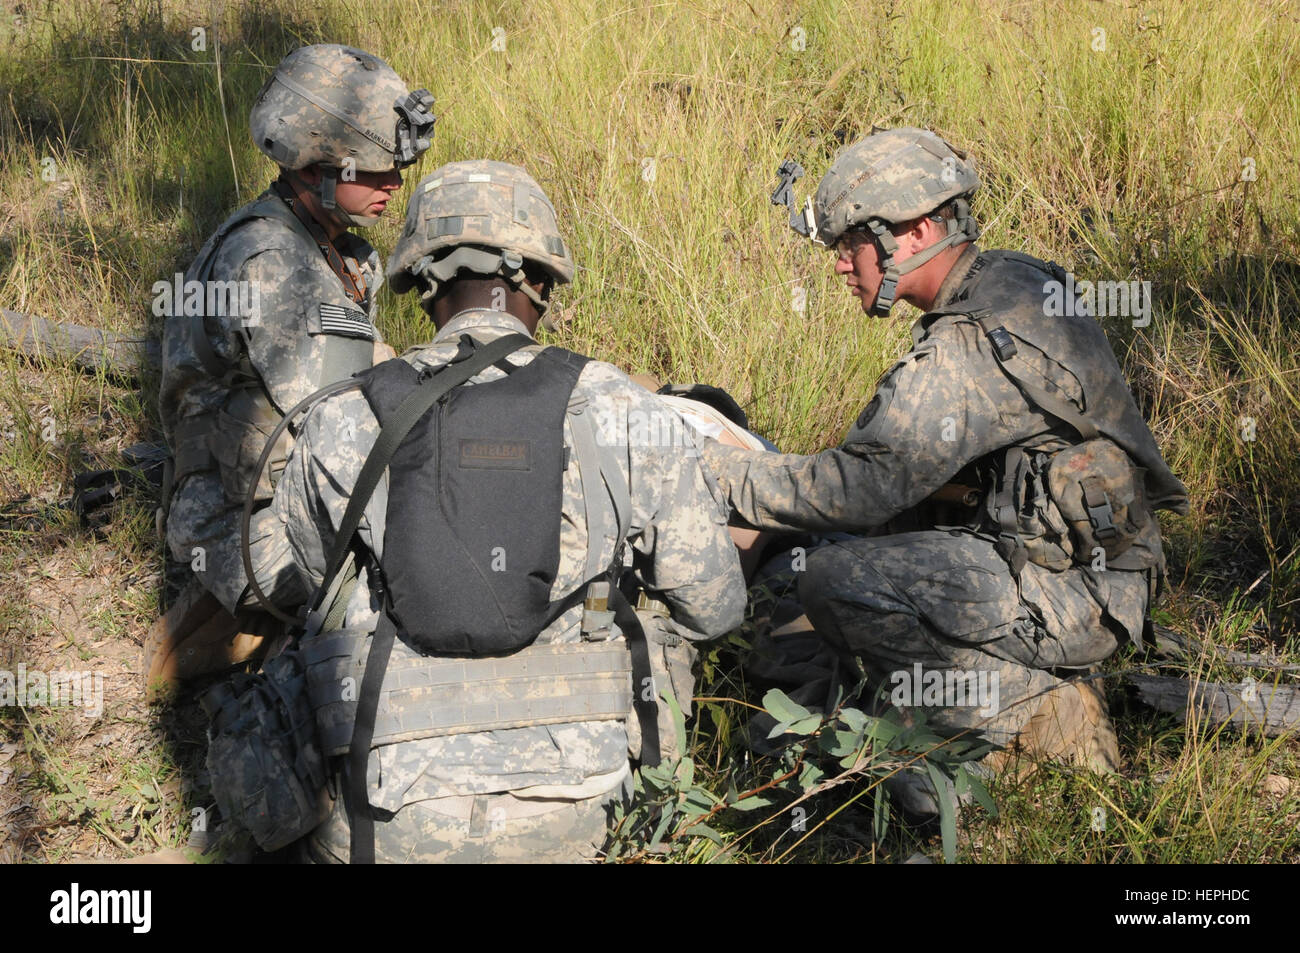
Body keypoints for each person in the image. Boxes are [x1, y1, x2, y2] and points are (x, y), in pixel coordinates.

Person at [253, 159, 745, 862]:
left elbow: (294, 585)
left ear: (423, 287)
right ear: (538, 285)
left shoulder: (345, 414)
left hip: (386, 823)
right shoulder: (623, 409)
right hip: (593, 816)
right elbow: (716, 607)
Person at [702, 127, 1188, 776]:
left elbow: (851, 488)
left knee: (833, 580)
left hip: (1080, 596)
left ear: (919, 233)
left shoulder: (963, 348)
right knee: (847, 554)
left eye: (853, 242)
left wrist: (715, 468)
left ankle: (1038, 714)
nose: (842, 263)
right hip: (1107, 570)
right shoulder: (1014, 278)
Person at [148, 44, 434, 689]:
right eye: (380, 171)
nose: (394, 185)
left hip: (267, 490)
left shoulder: (326, 244)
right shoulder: (274, 264)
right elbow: (357, 416)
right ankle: (239, 624)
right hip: (238, 526)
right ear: (314, 168)